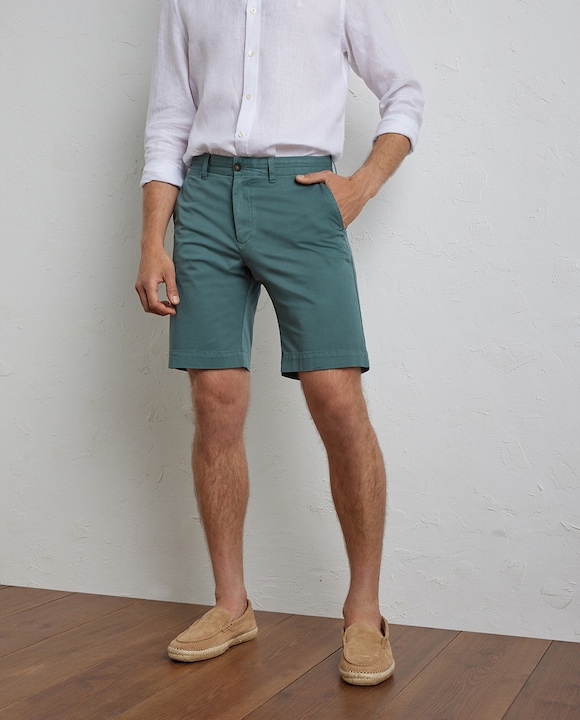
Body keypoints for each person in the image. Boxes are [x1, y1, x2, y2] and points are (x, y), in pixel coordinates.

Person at [135, 0, 423, 686]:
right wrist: (152, 238)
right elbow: (170, 118)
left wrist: (362, 185)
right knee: (215, 400)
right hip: (205, 200)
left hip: (302, 194)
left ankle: (364, 613)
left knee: (336, 397)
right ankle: (231, 606)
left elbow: (404, 93)